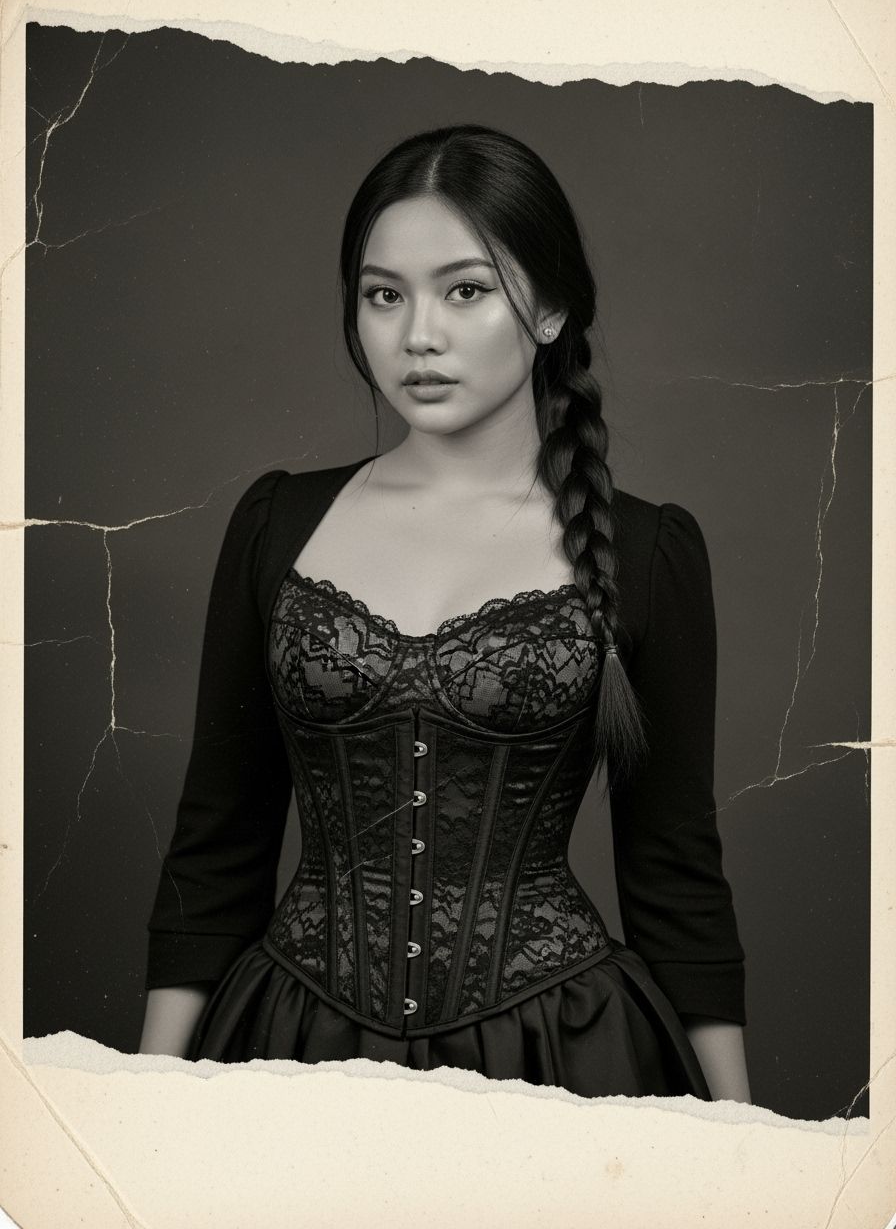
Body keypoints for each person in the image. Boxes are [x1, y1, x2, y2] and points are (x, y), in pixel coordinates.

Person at [138, 123, 750, 1103]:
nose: (417, 334)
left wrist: (742, 1141)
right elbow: (215, 848)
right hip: (291, 1044)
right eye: (384, 295)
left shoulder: (646, 551)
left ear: (548, 307)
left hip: (564, 1053)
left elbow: (674, 873)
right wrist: (143, 1103)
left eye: (463, 290)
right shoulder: (276, 523)